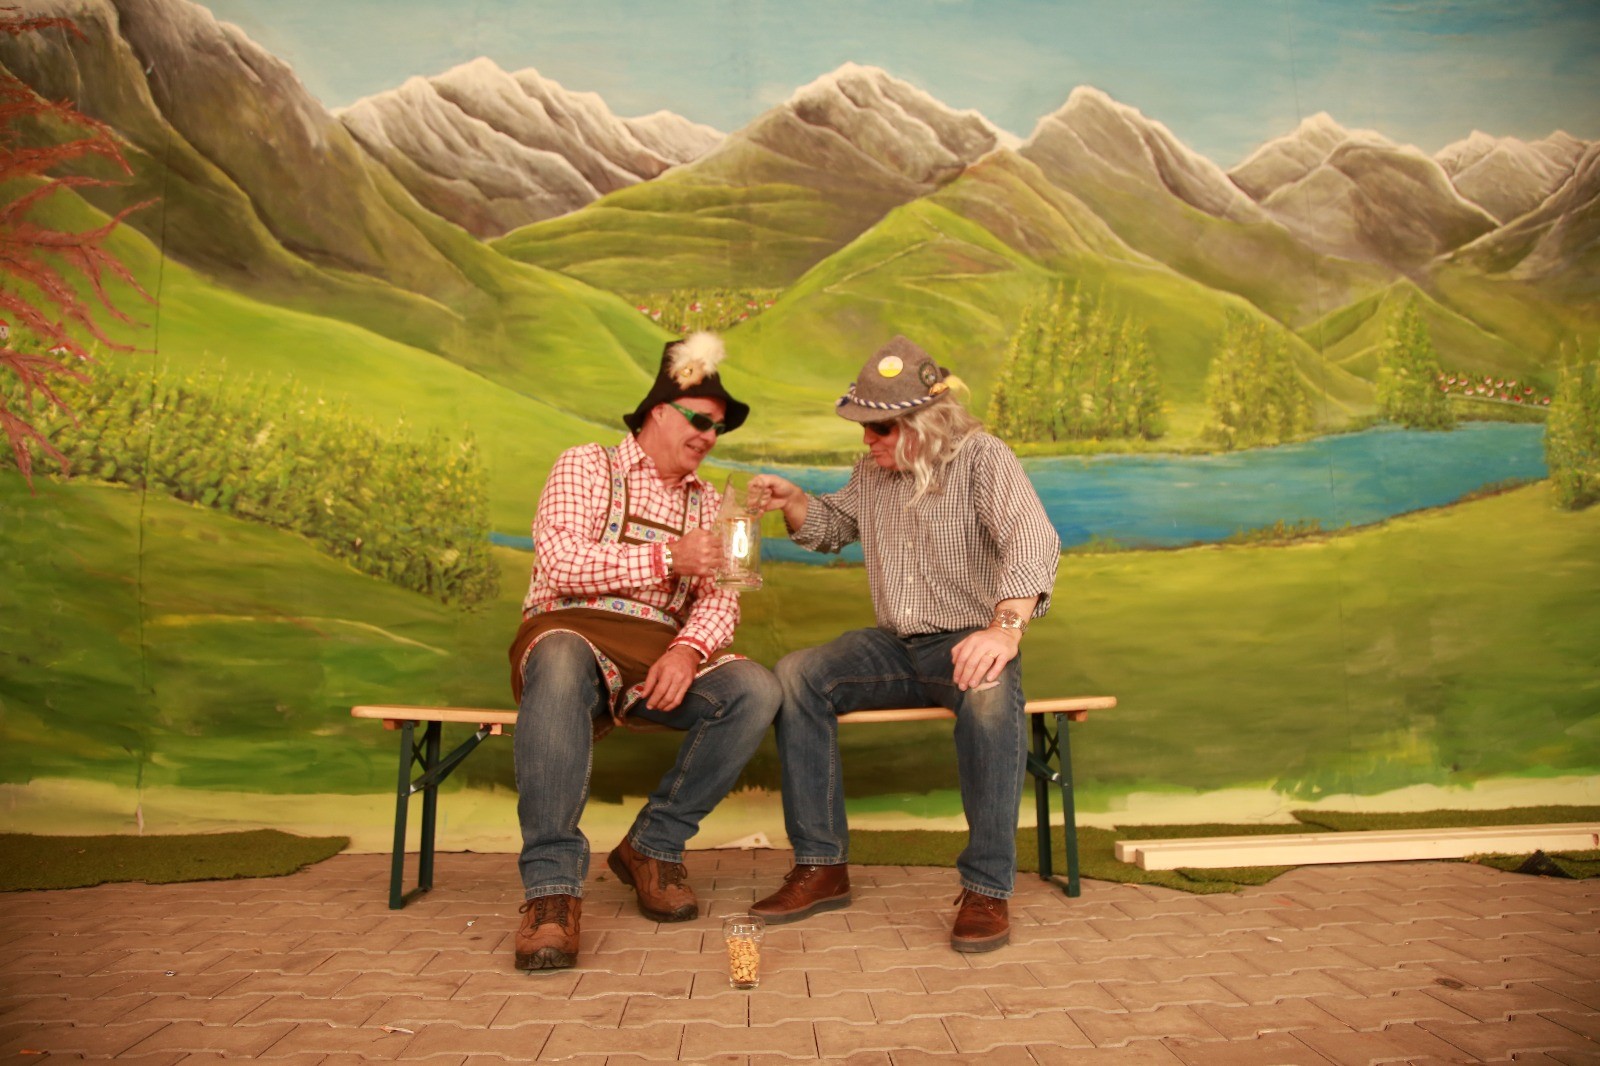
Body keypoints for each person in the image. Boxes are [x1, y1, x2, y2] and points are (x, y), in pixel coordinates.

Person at [745, 335, 1060, 953]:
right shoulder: (873, 470)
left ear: (924, 422)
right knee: (798, 674)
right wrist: (796, 501)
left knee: (989, 694)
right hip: (896, 647)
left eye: (880, 428)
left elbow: (1032, 541)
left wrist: (1004, 629)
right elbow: (833, 527)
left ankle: (987, 889)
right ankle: (822, 865)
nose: (867, 439)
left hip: (968, 641)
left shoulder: (983, 457)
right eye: (864, 426)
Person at [508, 331, 781, 971]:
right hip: (567, 630)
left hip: (658, 651)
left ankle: (653, 846)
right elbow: (559, 560)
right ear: (658, 412)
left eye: (718, 428)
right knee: (559, 657)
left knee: (755, 690)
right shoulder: (585, 464)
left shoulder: (715, 503)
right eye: (700, 421)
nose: (710, 437)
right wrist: (666, 558)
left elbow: (724, 598)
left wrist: (687, 650)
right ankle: (550, 892)